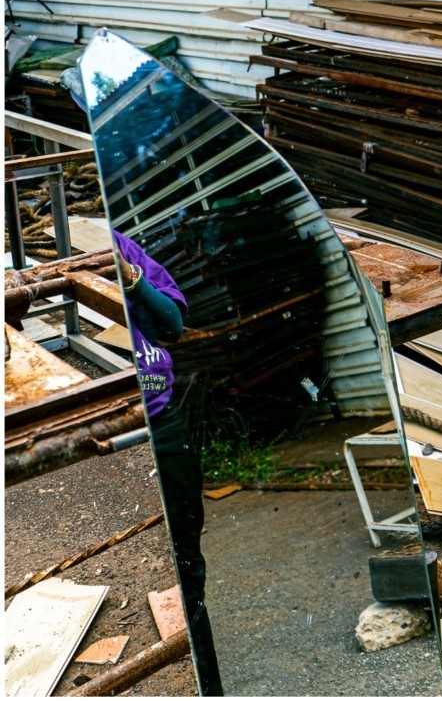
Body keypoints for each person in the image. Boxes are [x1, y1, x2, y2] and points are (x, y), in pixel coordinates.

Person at [113, 229, 225, 696]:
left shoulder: (115, 243)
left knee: (186, 545)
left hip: (163, 417)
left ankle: (207, 666)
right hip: (111, 425)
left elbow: (172, 325)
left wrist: (131, 277)